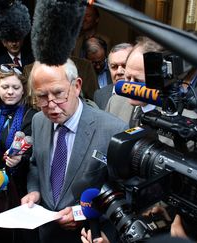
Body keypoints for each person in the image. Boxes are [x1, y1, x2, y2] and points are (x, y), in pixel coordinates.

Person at [21, 59, 128, 243]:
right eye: (42, 96)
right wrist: (35, 191)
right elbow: (36, 165)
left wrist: (81, 213)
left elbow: (123, 192)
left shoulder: (113, 129)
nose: (51, 104)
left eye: (58, 93)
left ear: (77, 86)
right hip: (46, 234)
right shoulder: (38, 121)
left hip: (88, 235)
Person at [0, 63, 37, 198]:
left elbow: (35, 158)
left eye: (16, 87)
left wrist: (19, 160)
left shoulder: (32, 116)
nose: (10, 92)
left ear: (24, 89)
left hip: (22, 187)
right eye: (5, 87)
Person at [105, 37, 165, 126]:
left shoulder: (184, 120)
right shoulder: (114, 103)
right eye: (128, 78)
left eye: (138, 80)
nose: (130, 86)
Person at [93, 43, 133, 110]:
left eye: (124, 66)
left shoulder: (144, 94)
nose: (119, 71)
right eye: (114, 67)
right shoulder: (100, 95)